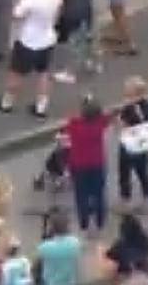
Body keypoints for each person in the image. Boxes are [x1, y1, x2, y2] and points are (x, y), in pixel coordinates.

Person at [0, 0, 63, 119]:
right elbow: (58, 10)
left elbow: (16, 16)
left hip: (28, 42)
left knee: (15, 73)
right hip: (48, 39)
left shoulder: (29, 0)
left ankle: (7, 103)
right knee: (43, 73)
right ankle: (41, 107)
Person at [63, 94, 110, 235]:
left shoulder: (74, 124)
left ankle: (84, 224)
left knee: (81, 195)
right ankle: (99, 223)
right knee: (98, 194)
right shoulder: (100, 123)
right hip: (97, 164)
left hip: (78, 165)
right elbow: (106, 115)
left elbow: (66, 134)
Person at [117, 76, 148, 212]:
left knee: (133, 171)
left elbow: (128, 122)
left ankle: (132, 199)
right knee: (134, 171)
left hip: (134, 140)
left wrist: (122, 121)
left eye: (128, 93)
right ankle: (138, 197)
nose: (125, 96)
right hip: (137, 139)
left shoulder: (134, 107)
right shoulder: (142, 105)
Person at [35, 209, 82, 285]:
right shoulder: (75, 243)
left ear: (51, 227)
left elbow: (36, 269)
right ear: (67, 225)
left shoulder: (43, 247)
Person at [103, 214, 148, 281]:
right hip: (144, 265)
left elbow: (109, 255)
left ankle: (120, 276)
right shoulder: (145, 238)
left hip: (128, 270)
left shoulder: (121, 244)